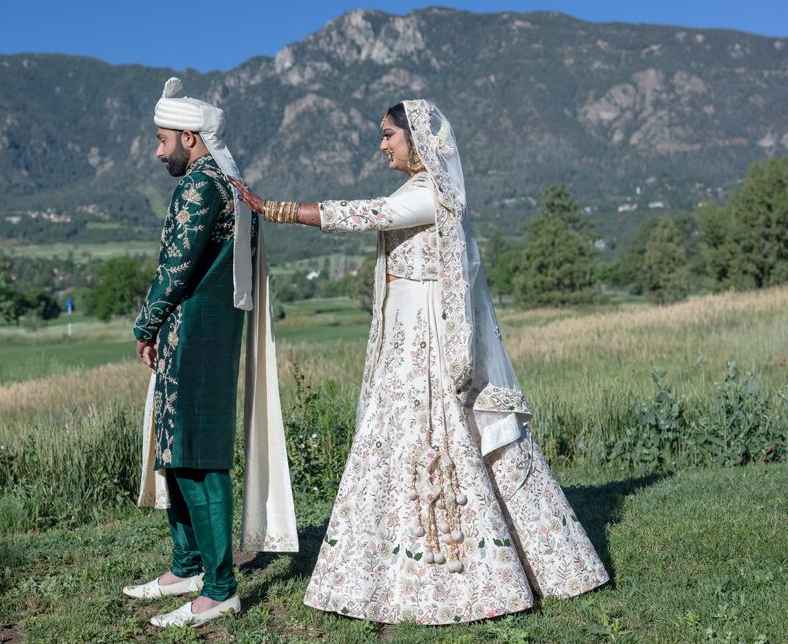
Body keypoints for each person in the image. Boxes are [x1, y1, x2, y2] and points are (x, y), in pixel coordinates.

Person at [230, 99, 609, 624]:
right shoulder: (415, 190)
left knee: (431, 440)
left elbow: (367, 215)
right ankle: (384, 569)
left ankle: (469, 576)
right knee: (392, 442)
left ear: (417, 140)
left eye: (389, 134)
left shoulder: (433, 193)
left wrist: (275, 209)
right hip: (404, 339)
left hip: (426, 343)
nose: (382, 144)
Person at [124, 77, 298, 629]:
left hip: (195, 330)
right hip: (198, 328)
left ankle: (219, 586)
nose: (157, 150)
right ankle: (187, 565)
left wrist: (146, 323)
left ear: (190, 137)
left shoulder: (202, 186)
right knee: (176, 451)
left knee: (198, 457)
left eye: (161, 138)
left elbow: (176, 266)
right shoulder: (225, 181)